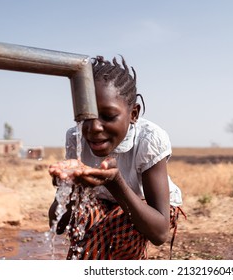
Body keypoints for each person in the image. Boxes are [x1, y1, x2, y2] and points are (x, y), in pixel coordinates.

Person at [48, 56, 185, 260]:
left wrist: (115, 181)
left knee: (119, 224)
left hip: (144, 207)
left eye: (108, 116)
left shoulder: (149, 140)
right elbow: (57, 224)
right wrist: (72, 186)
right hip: (101, 201)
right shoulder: (76, 137)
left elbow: (159, 232)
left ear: (133, 114)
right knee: (86, 220)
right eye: (85, 117)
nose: (94, 128)